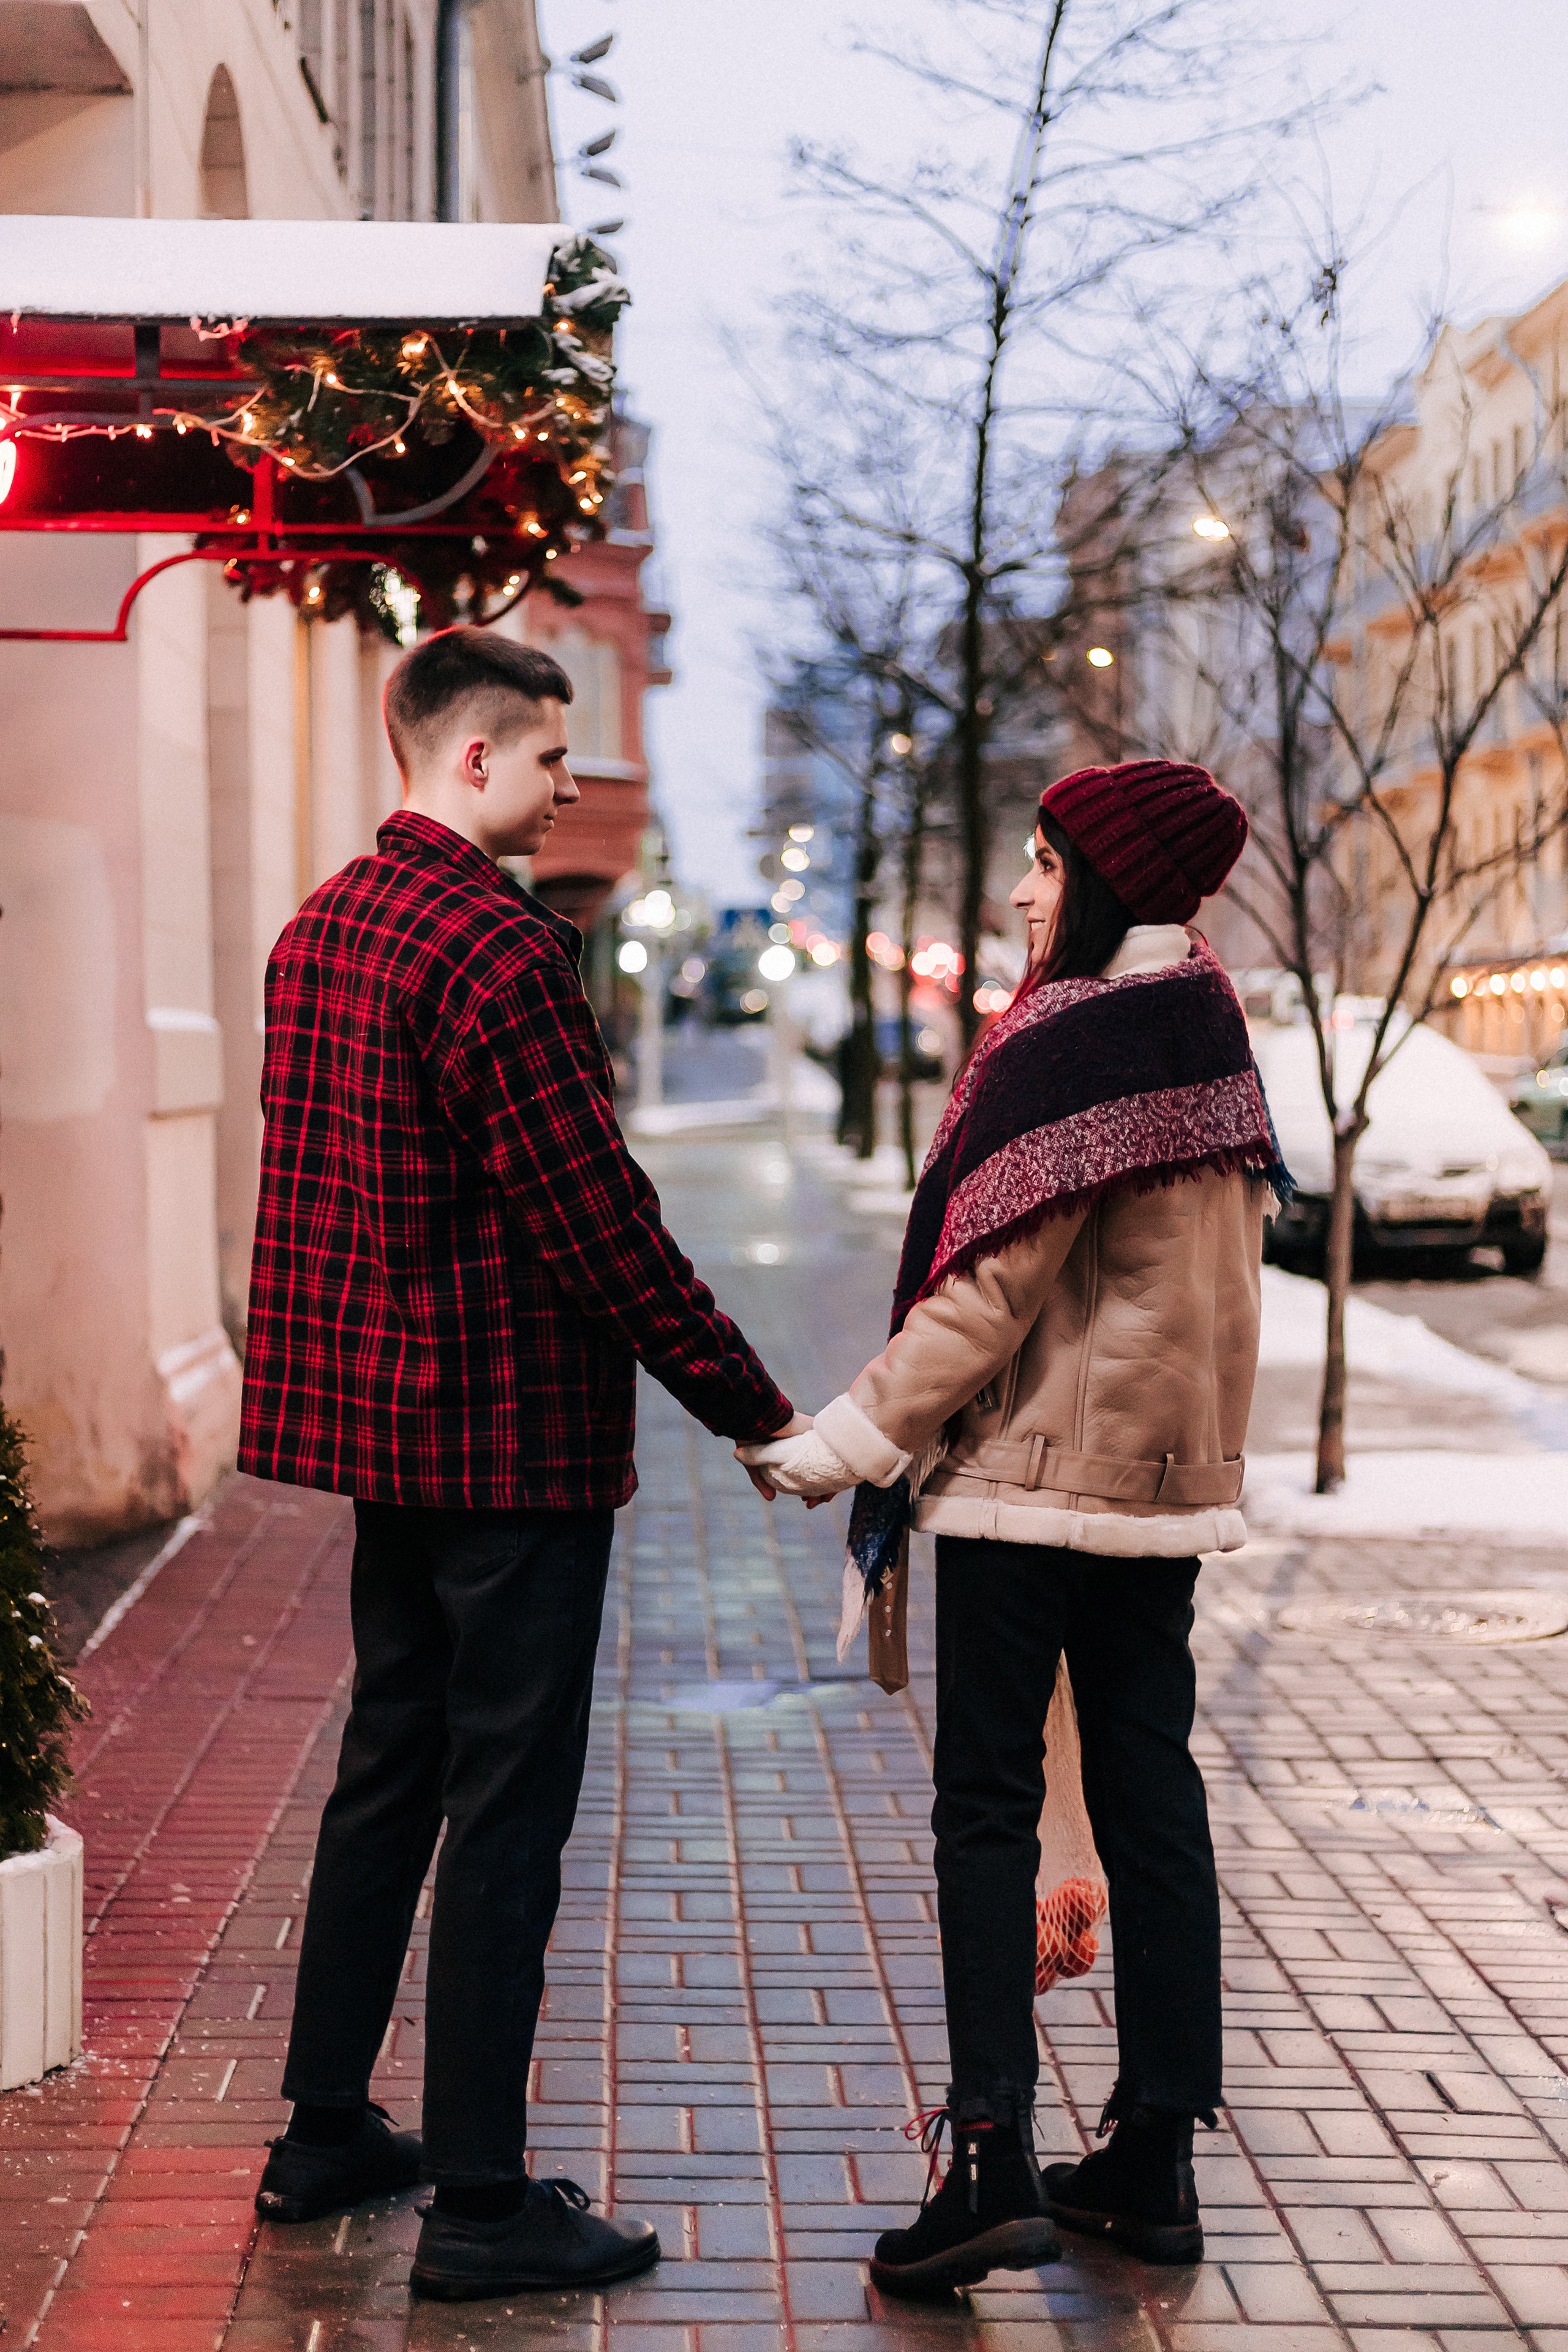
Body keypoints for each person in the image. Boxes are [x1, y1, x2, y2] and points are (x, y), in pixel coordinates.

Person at [241, 627, 805, 2302]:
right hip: (507, 1446)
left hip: (385, 1443)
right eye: (554, 759)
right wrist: (754, 1408)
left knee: (385, 1774)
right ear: (471, 758)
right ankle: (483, 2201)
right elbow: (598, 1221)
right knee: (505, 1810)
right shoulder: (495, 949)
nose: (573, 787)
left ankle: (325, 2128)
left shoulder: (318, 929)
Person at [742, 759, 1283, 2293]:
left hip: (1024, 1490)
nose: (1024, 891)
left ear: (1105, 877)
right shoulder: (1210, 1037)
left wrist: (843, 1441)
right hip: (1157, 1498)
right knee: (1151, 1805)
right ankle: (1154, 2158)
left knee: (980, 1812)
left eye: (1045, 864)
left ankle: (987, 2159)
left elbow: (987, 1296)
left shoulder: (1077, 1044)